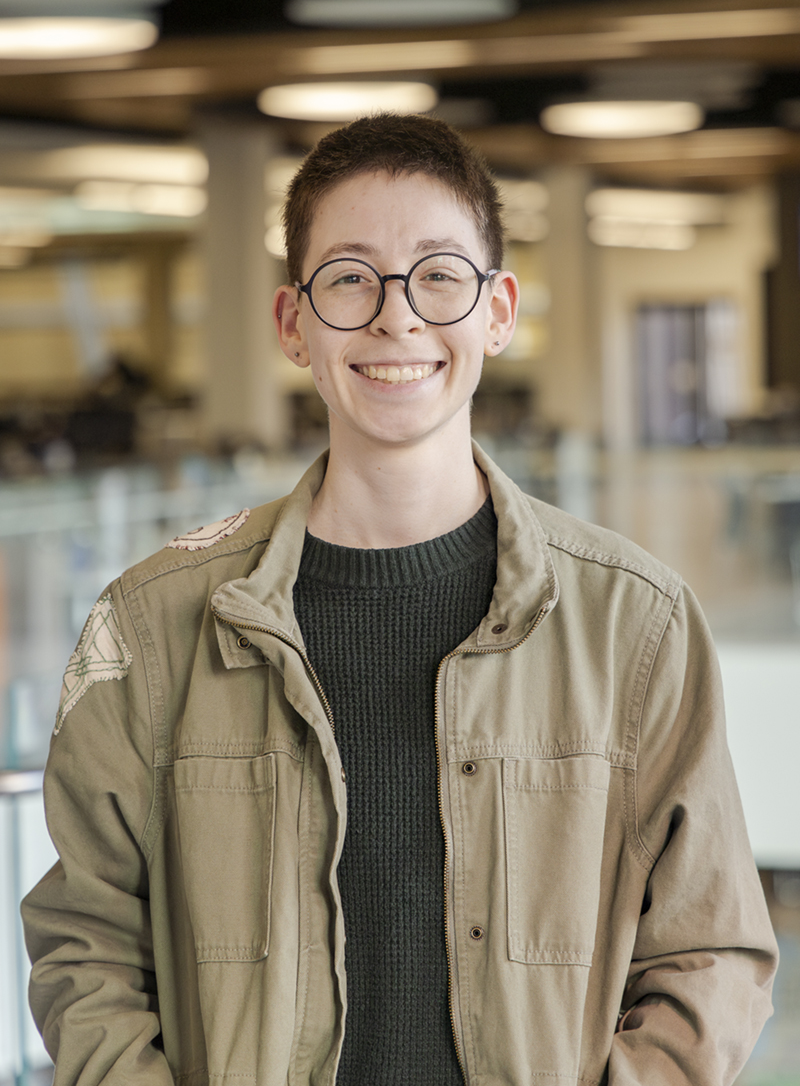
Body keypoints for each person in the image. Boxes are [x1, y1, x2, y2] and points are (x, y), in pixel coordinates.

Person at [23, 113, 777, 1086]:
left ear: (497, 310)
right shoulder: (154, 625)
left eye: (437, 274)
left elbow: (708, 949)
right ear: (293, 323)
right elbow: (86, 947)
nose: (396, 317)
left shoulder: (633, 622)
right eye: (347, 277)